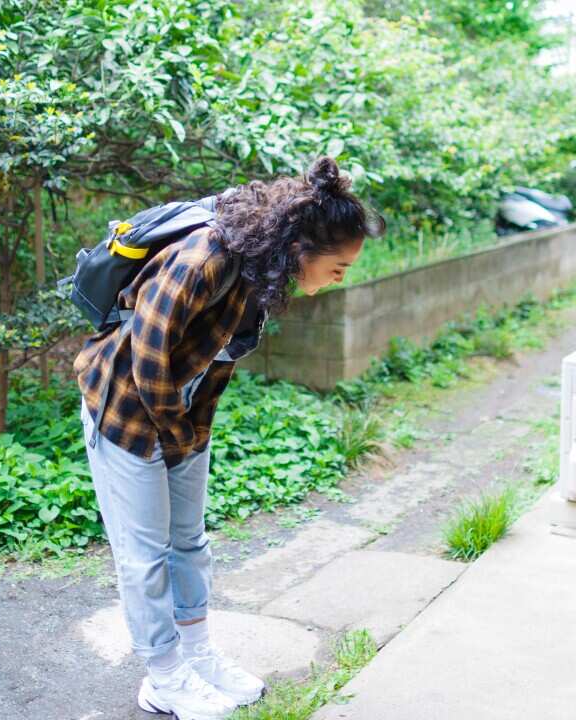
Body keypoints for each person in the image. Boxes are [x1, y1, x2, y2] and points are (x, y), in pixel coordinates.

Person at [75, 156, 383, 720]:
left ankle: (196, 655)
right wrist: (177, 432)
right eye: (337, 269)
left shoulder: (260, 271)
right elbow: (147, 358)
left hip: (179, 414)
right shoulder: (204, 260)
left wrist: (192, 433)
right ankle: (163, 677)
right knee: (145, 555)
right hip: (124, 409)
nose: (340, 280)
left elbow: (215, 364)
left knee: (189, 541)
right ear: (300, 250)